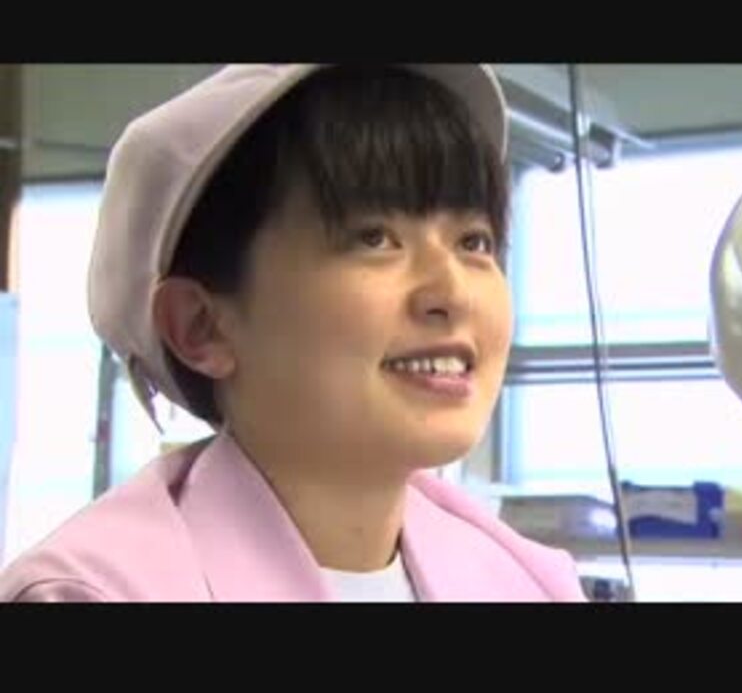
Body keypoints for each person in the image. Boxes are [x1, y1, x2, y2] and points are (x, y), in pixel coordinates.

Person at [0, 64, 587, 602]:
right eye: (375, 238)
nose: (453, 293)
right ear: (201, 327)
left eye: (474, 242)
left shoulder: (525, 579)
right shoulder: (95, 594)